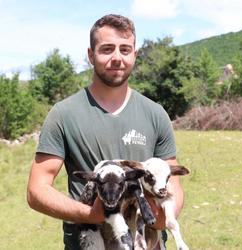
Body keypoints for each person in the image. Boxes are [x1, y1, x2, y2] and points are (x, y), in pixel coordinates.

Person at [27, 14, 185, 250]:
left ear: (135, 55)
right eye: (107, 49)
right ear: (91, 55)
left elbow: (175, 185)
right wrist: (91, 214)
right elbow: (36, 190)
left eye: (125, 49)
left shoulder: (155, 114)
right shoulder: (64, 114)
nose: (117, 58)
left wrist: (162, 218)